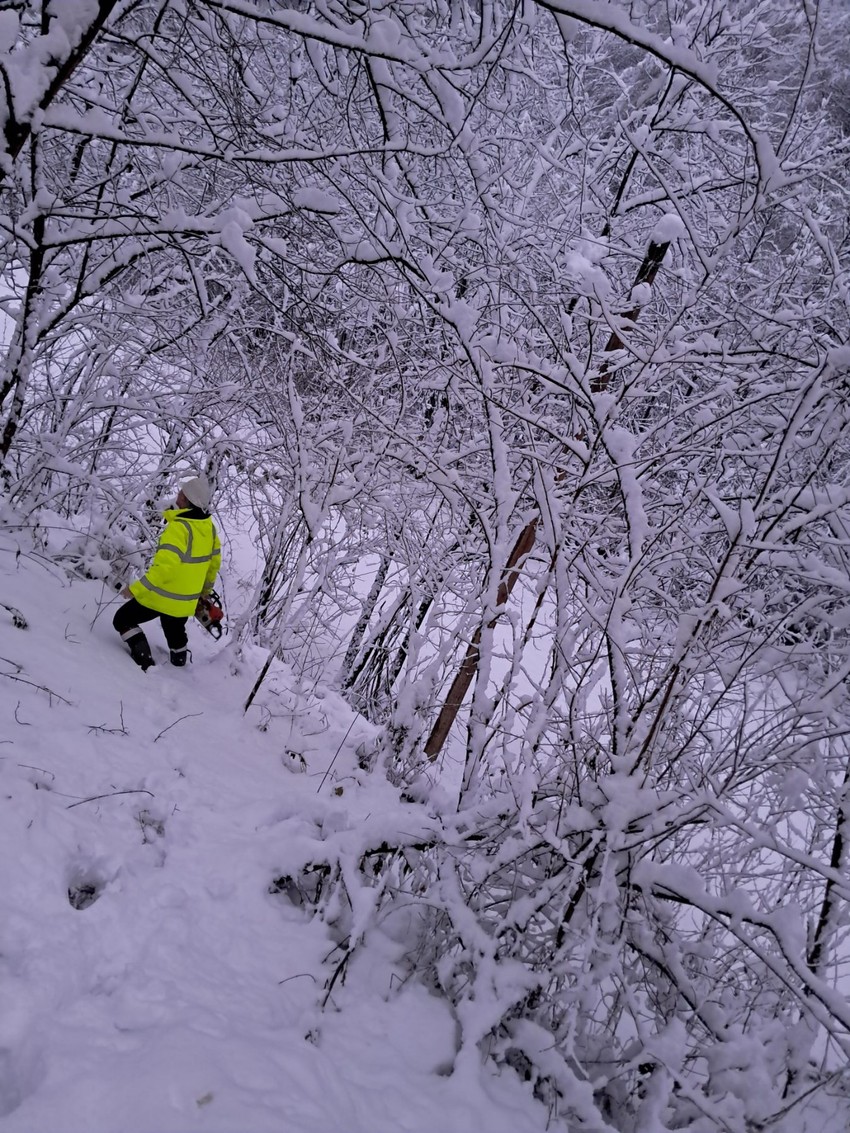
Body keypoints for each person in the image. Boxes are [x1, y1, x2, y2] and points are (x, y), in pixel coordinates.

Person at [113, 475, 221, 670]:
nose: (177, 495)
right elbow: (213, 565)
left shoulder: (179, 529)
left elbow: (163, 570)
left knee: (122, 619)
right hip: (186, 602)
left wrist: (135, 589)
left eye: (181, 493)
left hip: (163, 596)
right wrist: (205, 591)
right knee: (174, 628)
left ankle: (145, 663)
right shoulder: (210, 529)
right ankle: (179, 666)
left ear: (186, 500)